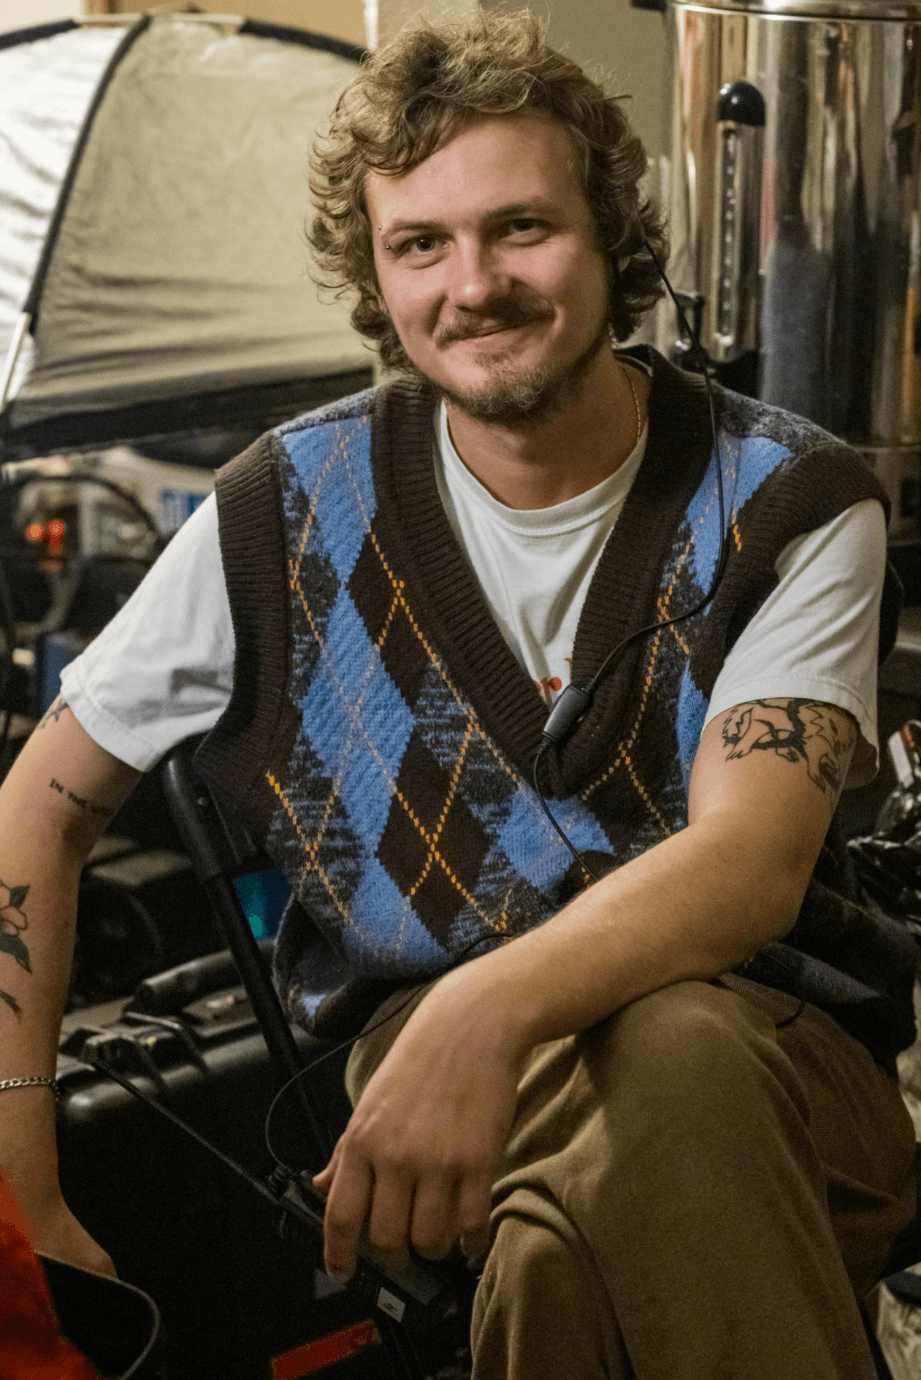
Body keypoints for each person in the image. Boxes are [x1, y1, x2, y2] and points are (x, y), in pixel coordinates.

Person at [0, 12, 917, 1377]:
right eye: (419, 244)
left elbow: (749, 862)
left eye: (520, 229)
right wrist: (21, 1172)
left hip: (776, 1060)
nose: (471, 284)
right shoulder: (280, 510)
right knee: (577, 1224)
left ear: (612, 234)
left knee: (666, 1072)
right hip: (425, 1100)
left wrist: (478, 1011)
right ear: (375, 276)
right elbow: (38, 803)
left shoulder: (789, 497)